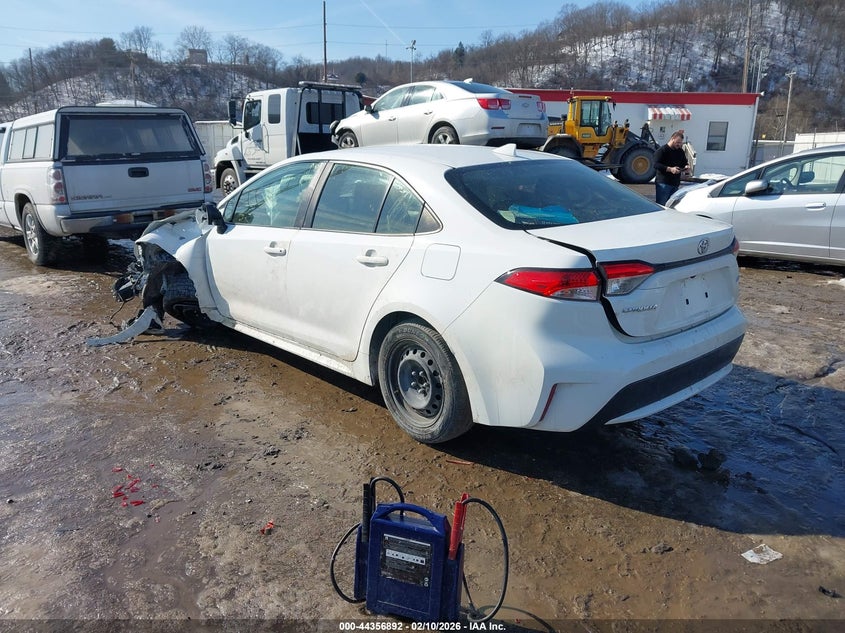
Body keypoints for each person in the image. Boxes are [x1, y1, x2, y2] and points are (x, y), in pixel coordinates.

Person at [654, 130, 690, 205]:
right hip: (663, 183)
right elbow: (656, 164)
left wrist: (686, 166)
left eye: (680, 143)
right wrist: (670, 169)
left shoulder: (680, 151)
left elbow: (684, 162)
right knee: (662, 205)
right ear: (672, 139)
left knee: (671, 206)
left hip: (675, 183)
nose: (679, 144)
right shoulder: (662, 150)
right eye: (678, 142)